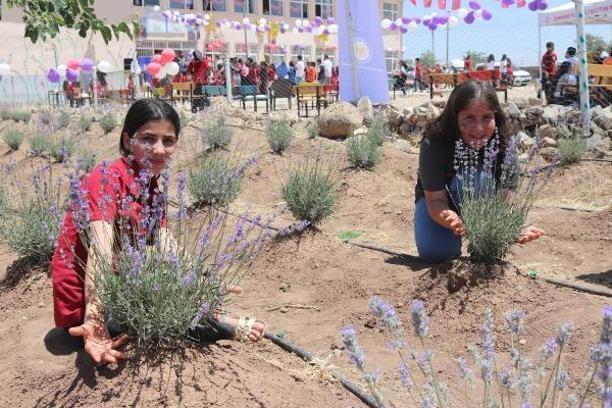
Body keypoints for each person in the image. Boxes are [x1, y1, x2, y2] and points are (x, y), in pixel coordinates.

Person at [51, 99, 266, 365]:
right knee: (158, 304)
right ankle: (215, 324)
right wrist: (94, 317)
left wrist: (202, 281)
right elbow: (100, 254)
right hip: (83, 304)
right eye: (148, 139)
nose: (159, 150)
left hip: (118, 283)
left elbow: (168, 245)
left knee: (167, 280)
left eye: (168, 140)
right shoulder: (105, 178)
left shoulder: (152, 188)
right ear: (129, 140)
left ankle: (205, 313)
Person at [413, 81, 544, 263]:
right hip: (438, 204)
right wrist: (448, 217)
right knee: (436, 255)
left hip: (484, 207)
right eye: (469, 118)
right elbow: (435, 200)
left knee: (479, 179)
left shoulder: (506, 146)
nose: (479, 128)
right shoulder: (434, 143)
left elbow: (506, 202)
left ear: (496, 117)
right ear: (454, 117)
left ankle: (479, 247)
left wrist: (510, 229)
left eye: (486, 118)